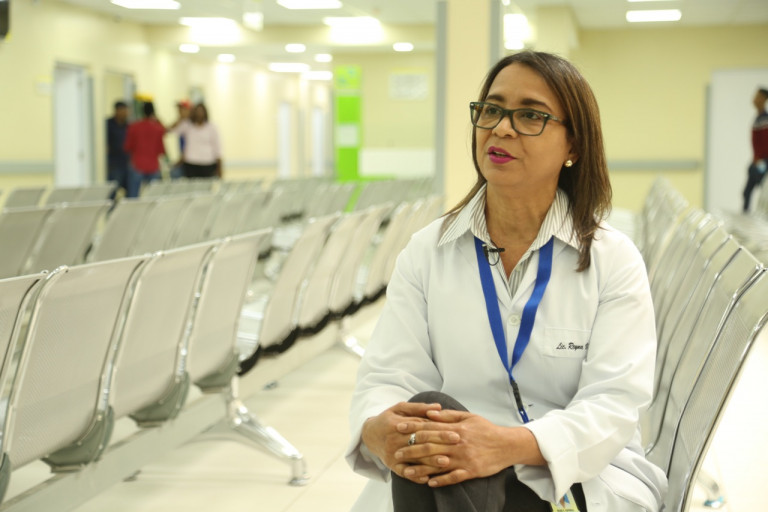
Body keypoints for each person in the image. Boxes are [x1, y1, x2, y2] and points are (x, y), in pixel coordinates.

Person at [346, 51, 667, 512]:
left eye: (530, 116)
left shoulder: (612, 260)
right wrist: (380, 426)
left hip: (572, 474)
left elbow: (613, 404)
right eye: (492, 110)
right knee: (432, 425)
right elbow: (389, 375)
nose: (501, 128)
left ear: (574, 147)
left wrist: (505, 445)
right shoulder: (427, 251)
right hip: (447, 466)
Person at [169, 102, 222, 179]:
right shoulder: (187, 126)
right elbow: (170, 130)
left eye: (201, 111)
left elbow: (218, 148)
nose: (199, 114)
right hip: (191, 164)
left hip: (208, 164)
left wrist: (219, 169)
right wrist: (181, 118)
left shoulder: (212, 128)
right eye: (197, 111)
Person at [123, 101, 166, 197]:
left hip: (137, 164)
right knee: (153, 196)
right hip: (153, 166)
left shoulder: (134, 127)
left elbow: (128, 147)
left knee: (133, 196)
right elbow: (161, 150)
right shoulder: (158, 128)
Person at [742, 87, 768, 212]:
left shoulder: (764, 119)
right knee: (747, 192)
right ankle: (745, 214)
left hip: (762, 161)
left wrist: (759, 158)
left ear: (763, 99)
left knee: (763, 191)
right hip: (757, 160)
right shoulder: (758, 118)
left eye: (757, 97)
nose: (754, 99)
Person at [106, 100, 130, 198]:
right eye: (123, 111)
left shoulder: (128, 126)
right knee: (112, 192)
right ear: (117, 111)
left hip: (127, 163)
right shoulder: (108, 124)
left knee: (130, 192)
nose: (126, 113)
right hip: (114, 164)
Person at [170, 99, 191, 180]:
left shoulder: (191, 125)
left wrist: (179, 162)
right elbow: (169, 130)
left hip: (189, 161)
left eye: (182, 109)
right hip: (183, 160)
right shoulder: (182, 123)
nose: (179, 111)